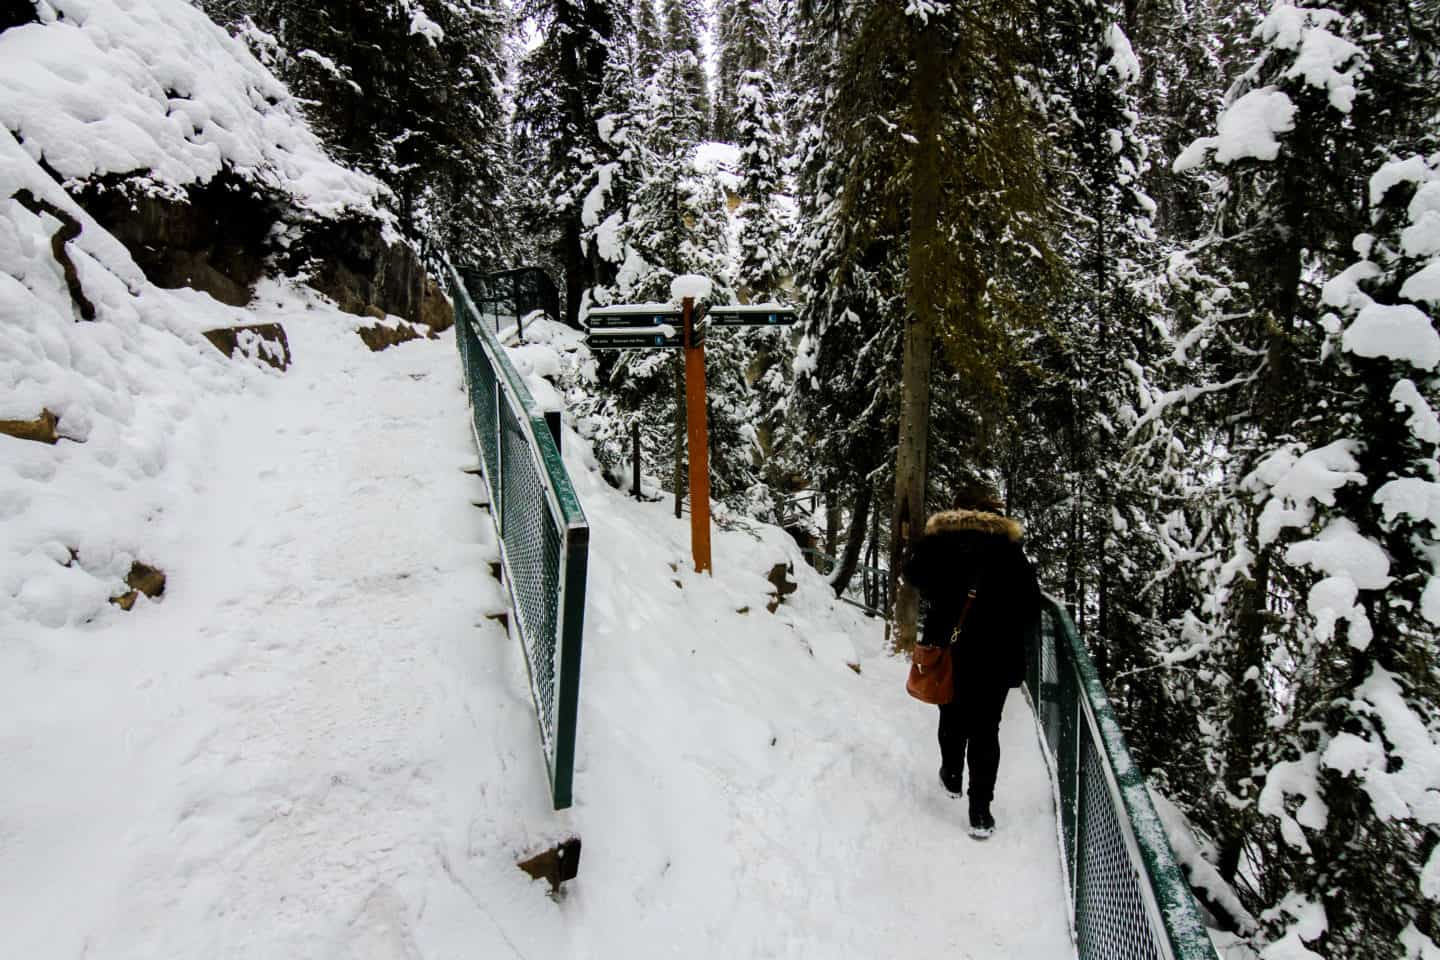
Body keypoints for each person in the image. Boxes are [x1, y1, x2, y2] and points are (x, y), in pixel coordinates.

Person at [902, 483, 1041, 838]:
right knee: (986, 731)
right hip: (997, 653)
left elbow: (912, 574)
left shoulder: (941, 541)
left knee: (950, 713)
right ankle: (980, 812)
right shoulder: (1009, 548)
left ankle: (951, 775)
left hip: (950, 647)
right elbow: (1029, 605)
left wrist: (932, 544)